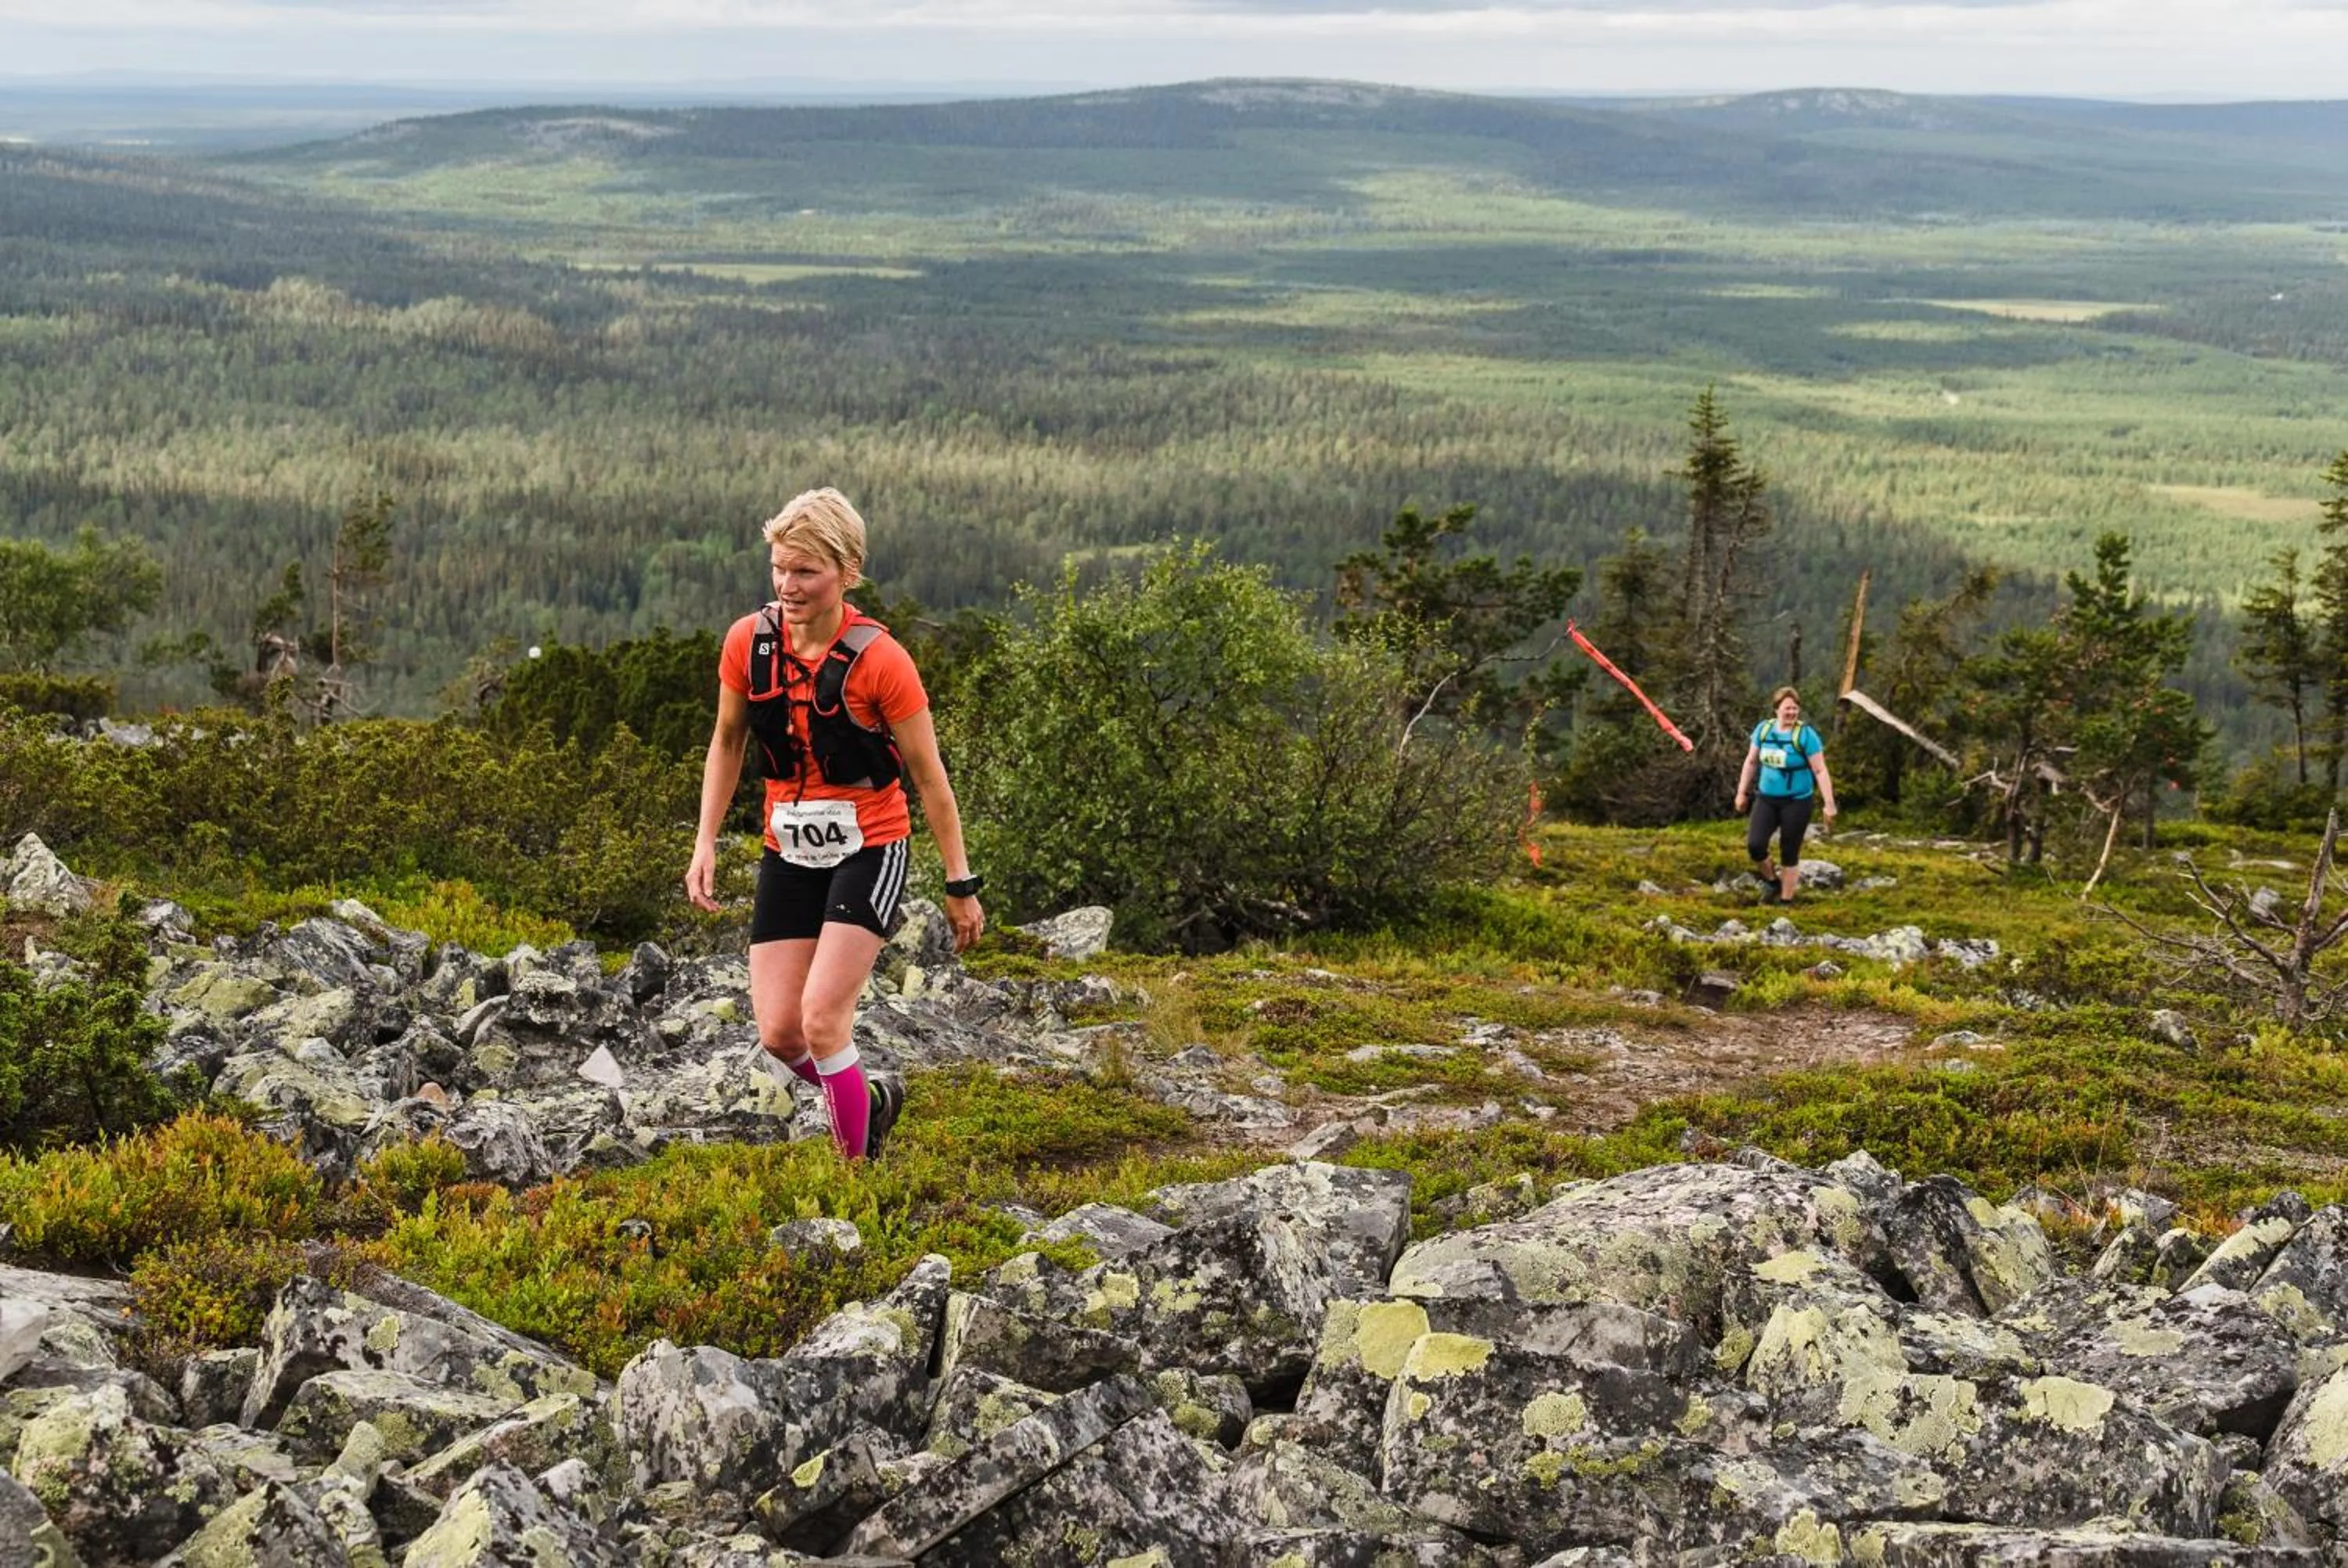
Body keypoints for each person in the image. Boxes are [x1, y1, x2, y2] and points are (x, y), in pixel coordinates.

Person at [685, 487, 985, 1160]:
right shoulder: (747, 643)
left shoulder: (882, 661)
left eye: (805, 572)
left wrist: (960, 882)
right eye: (779, 569)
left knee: (822, 1021)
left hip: (870, 847)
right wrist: (704, 842)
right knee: (780, 1035)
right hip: (786, 847)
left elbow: (929, 780)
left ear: (847, 573)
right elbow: (727, 742)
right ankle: (868, 1097)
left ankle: (856, 1181)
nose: (787, 586)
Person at [1734, 685, 1836, 907]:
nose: (1792, 713)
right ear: (1776, 709)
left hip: (1797, 801)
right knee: (1755, 845)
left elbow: (1820, 770)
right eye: (1787, 708)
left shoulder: (1806, 735)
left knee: (1789, 851)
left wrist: (1829, 805)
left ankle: (1785, 901)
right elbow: (1751, 761)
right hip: (1766, 799)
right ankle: (1772, 881)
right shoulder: (1763, 730)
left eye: (1795, 708)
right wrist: (1742, 792)